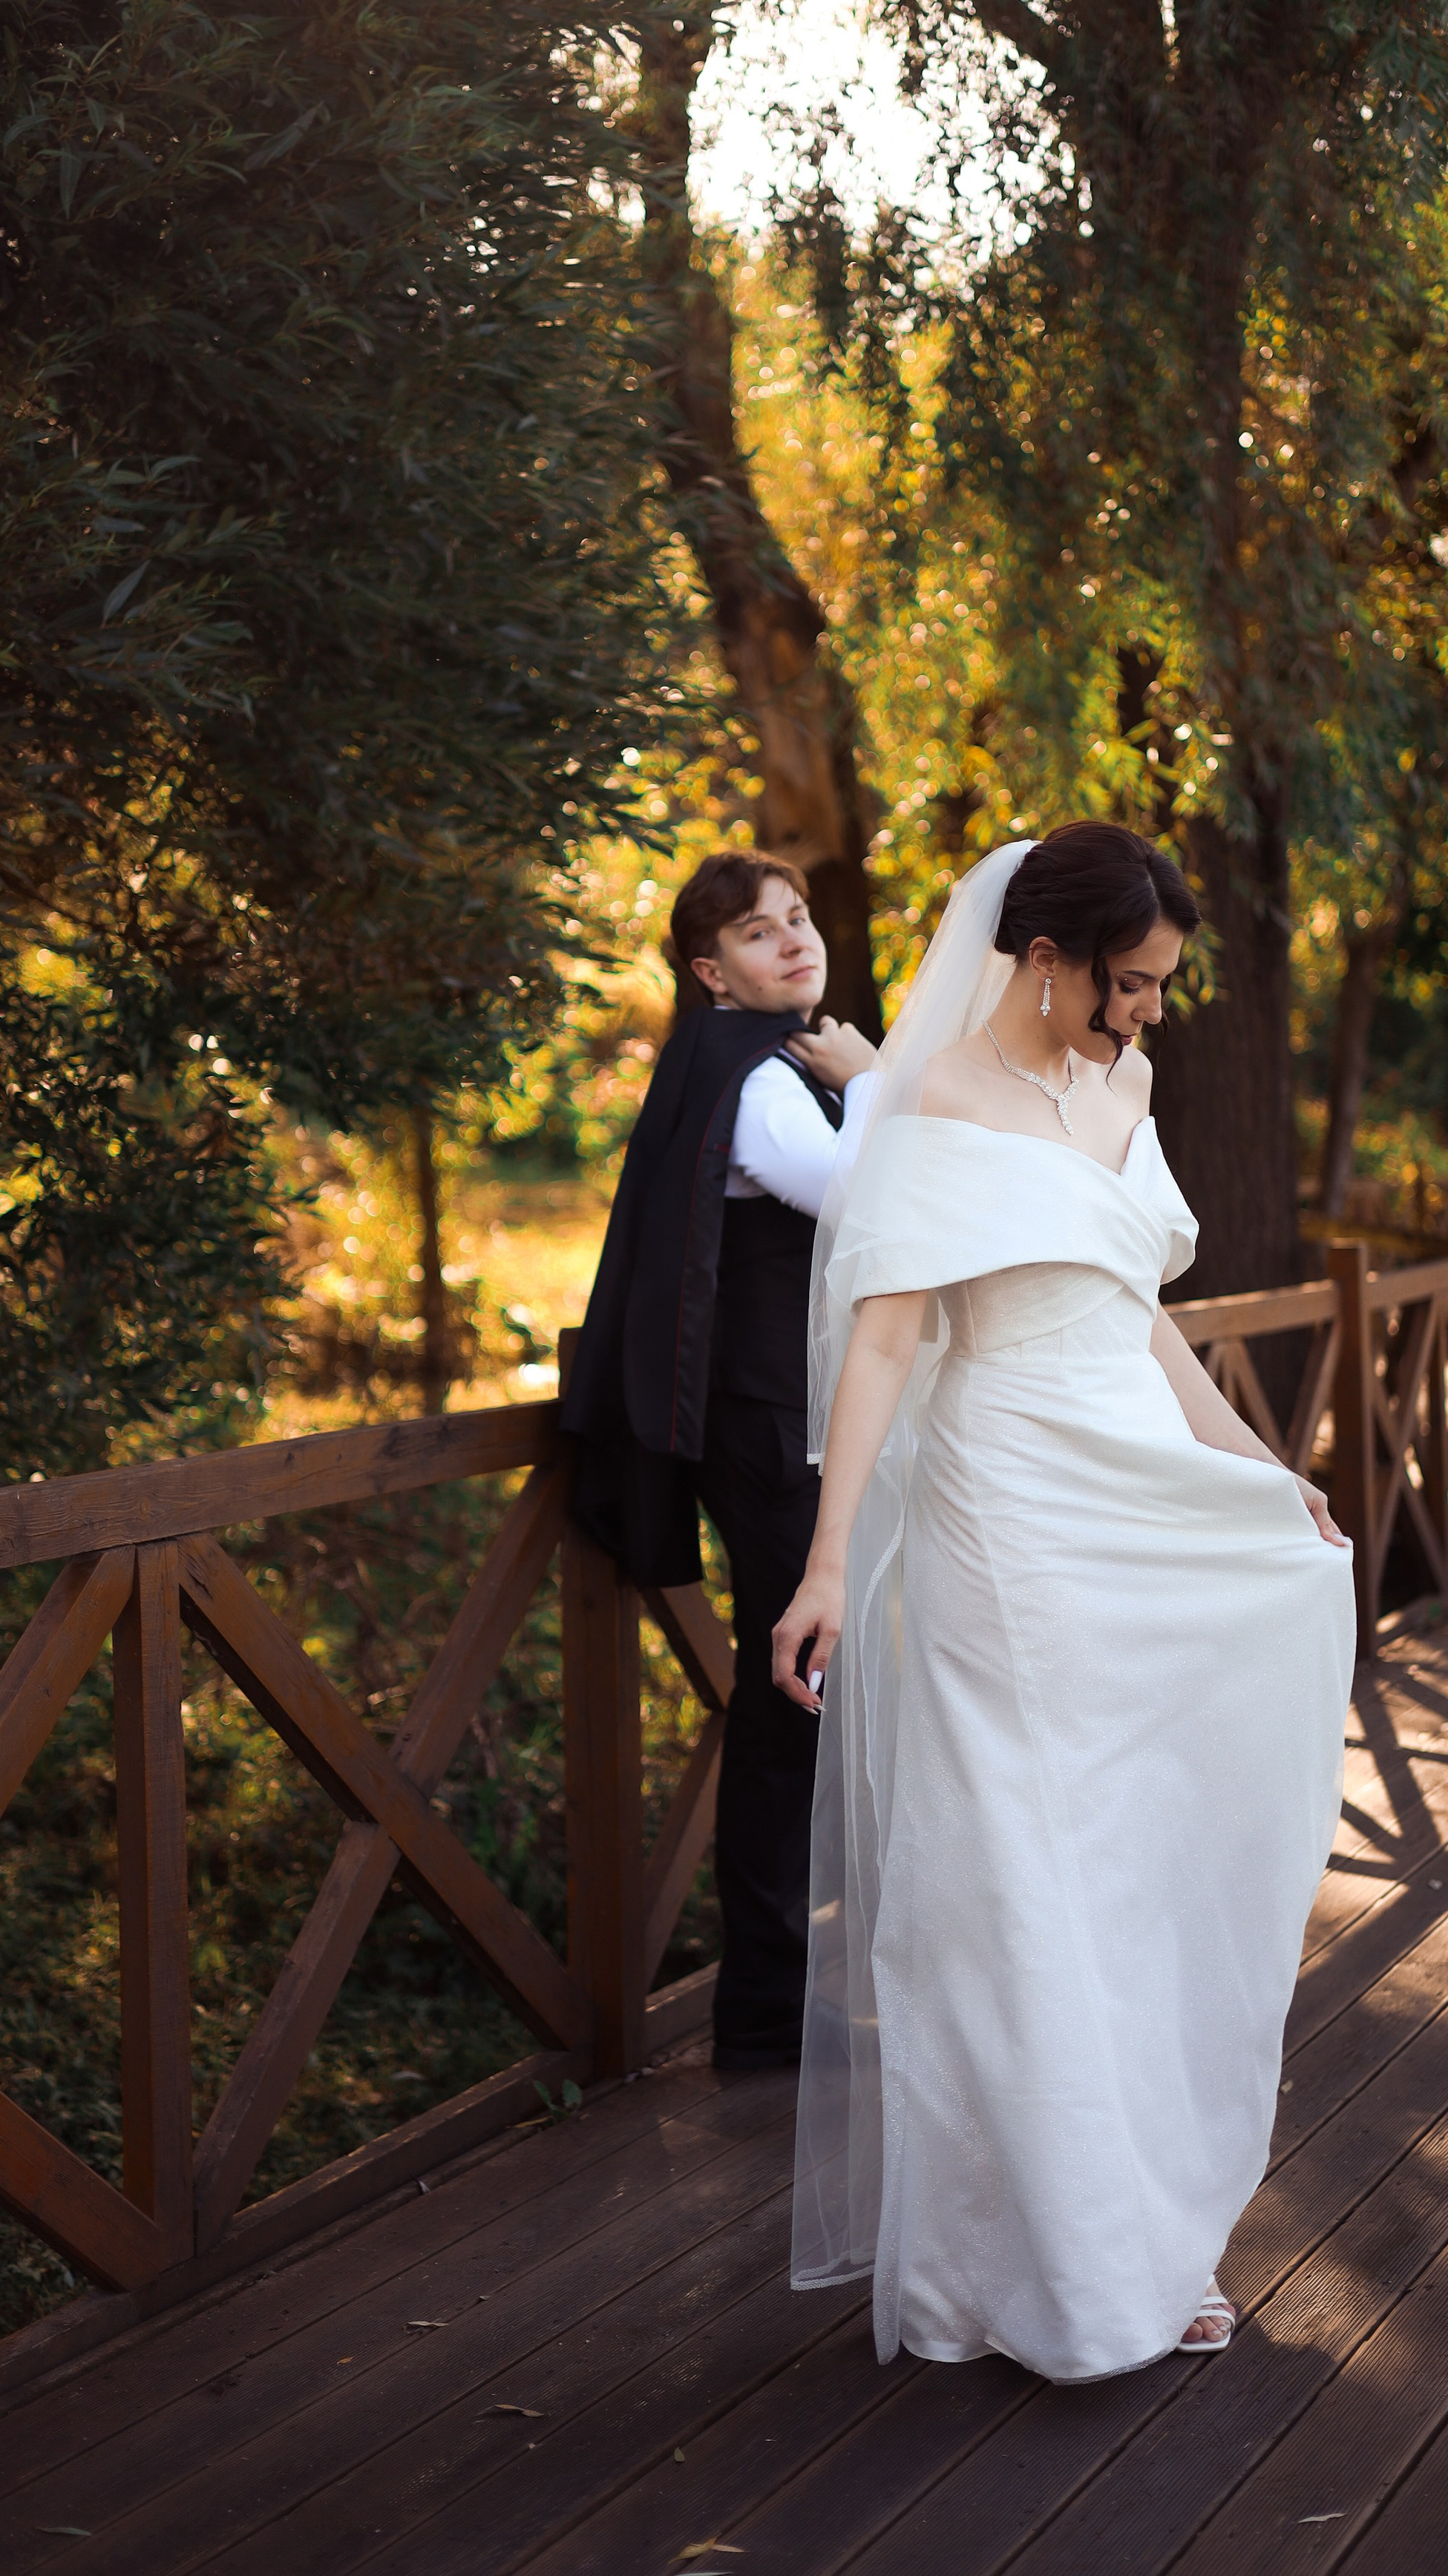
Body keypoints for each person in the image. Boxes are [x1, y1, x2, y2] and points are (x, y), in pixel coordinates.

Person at [770, 824, 1355, 2377]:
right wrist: (828, 1563)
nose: (1147, 1011)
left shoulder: (1128, 1087)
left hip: (1126, 1481)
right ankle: (1046, 2262)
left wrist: (1259, 1470)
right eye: (1129, 983)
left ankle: (1144, 2229)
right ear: (1043, 960)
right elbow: (885, 1342)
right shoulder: (935, 1106)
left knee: (1135, 1855)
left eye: (1160, 985)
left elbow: (1141, 1320)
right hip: (1003, 1508)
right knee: (1021, 1872)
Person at [563, 851, 877, 2069]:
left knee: (798, 1690)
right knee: (794, 1692)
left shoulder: (754, 1061)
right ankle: (762, 2008)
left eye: (798, 919)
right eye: (758, 932)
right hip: (768, 1429)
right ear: (711, 971)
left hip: (791, 1420)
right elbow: (859, 1193)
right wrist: (878, 1081)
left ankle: (783, 1994)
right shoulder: (754, 1077)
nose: (795, 941)